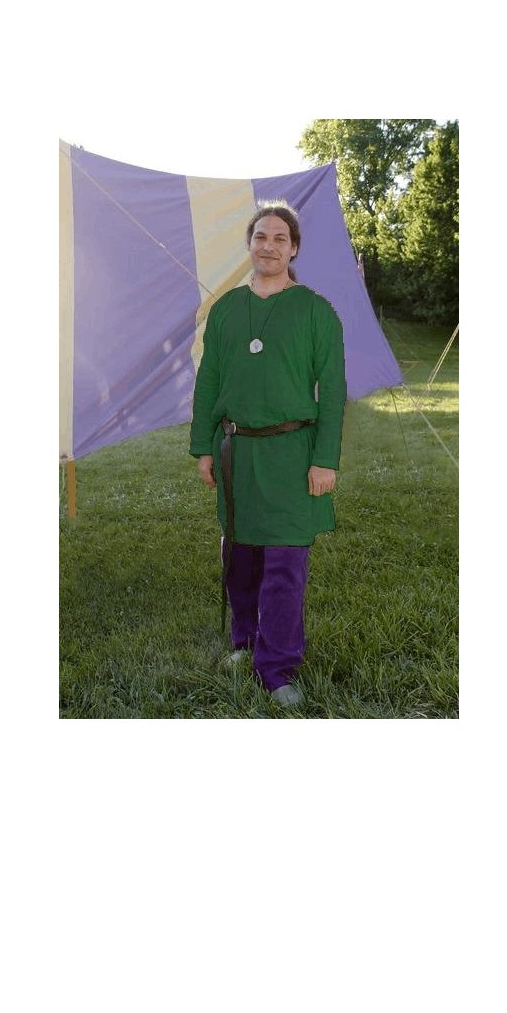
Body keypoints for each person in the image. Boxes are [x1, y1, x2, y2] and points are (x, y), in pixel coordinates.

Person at [189, 200, 346, 707]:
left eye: (280, 238)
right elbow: (209, 381)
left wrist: (325, 458)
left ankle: (277, 667)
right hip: (237, 451)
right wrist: (203, 447)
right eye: (261, 236)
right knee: (240, 555)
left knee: (284, 563)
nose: (269, 246)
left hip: (293, 453)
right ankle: (245, 641)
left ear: (293, 248)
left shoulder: (316, 311)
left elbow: (333, 390)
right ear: (249, 244)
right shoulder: (225, 310)